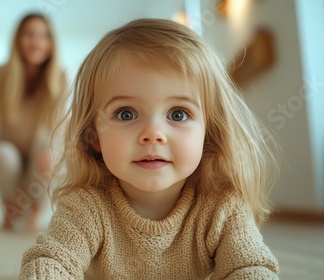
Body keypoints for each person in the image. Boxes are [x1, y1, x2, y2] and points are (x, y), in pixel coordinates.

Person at [19, 18, 280, 279]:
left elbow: (251, 266)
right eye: (126, 114)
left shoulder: (223, 207)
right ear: (92, 136)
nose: (153, 134)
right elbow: (51, 262)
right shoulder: (86, 207)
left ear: (209, 132)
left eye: (178, 114)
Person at [0, 13, 65, 232]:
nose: (36, 41)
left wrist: (53, 152)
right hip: (9, 150)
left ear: (51, 43)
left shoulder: (61, 76)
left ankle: (35, 211)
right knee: (1, 154)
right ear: (18, 39)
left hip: (40, 151)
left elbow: (59, 126)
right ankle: (10, 209)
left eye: (44, 36)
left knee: (48, 150)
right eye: (29, 34)